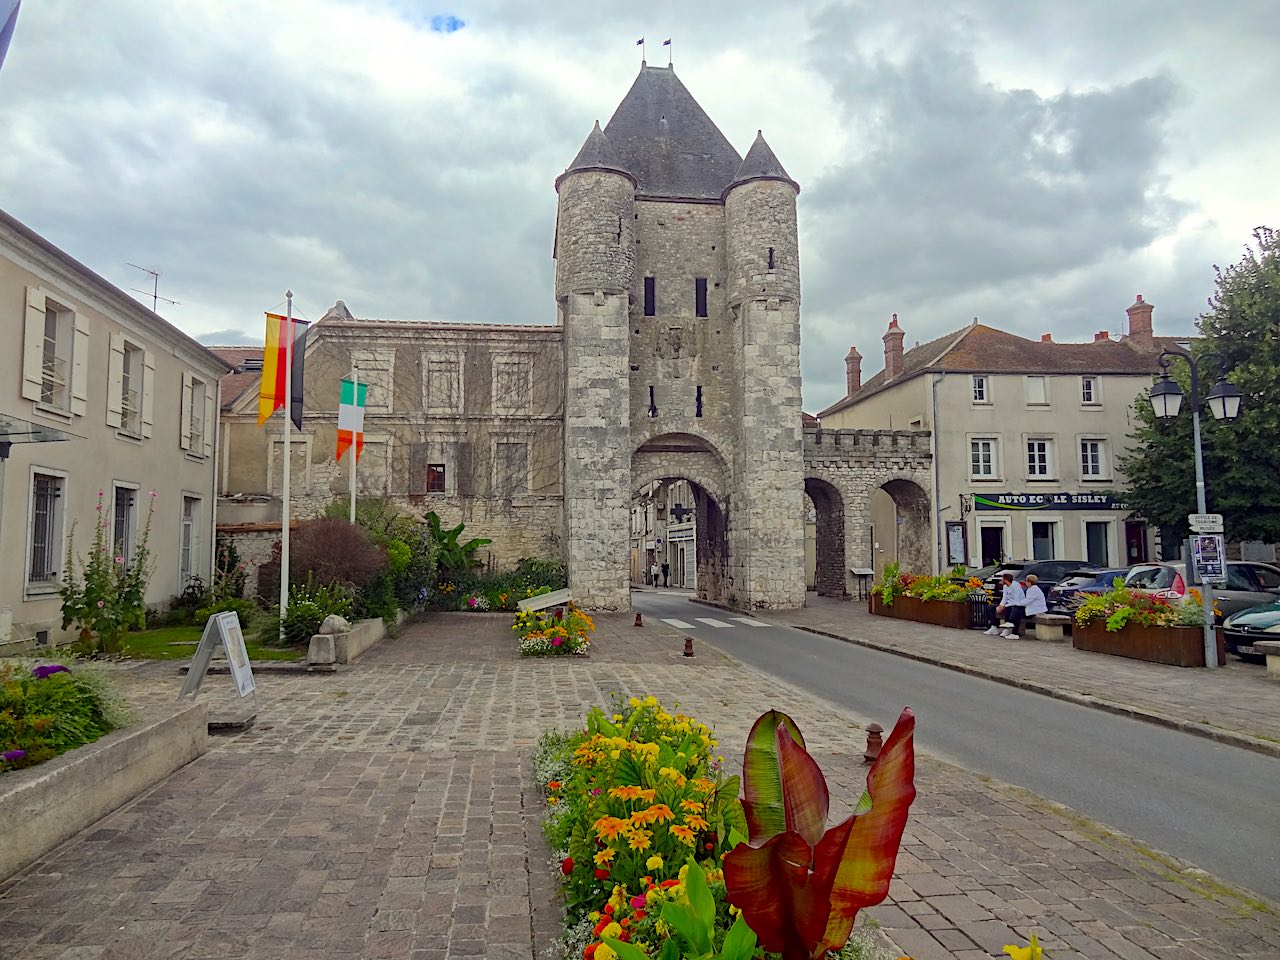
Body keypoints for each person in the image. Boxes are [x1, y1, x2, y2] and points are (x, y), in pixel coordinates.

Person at [985, 572, 1026, 638]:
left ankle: (1008, 629)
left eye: (1002, 579)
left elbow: (1016, 601)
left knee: (1009, 609)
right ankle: (993, 627)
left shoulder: (1016, 586)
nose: (1001, 581)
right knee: (991, 607)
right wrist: (1001, 605)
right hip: (1009, 604)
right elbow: (1005, 597)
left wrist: (1004, 606)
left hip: (1017, 605)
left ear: (1006, 580)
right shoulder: (1005, 586)